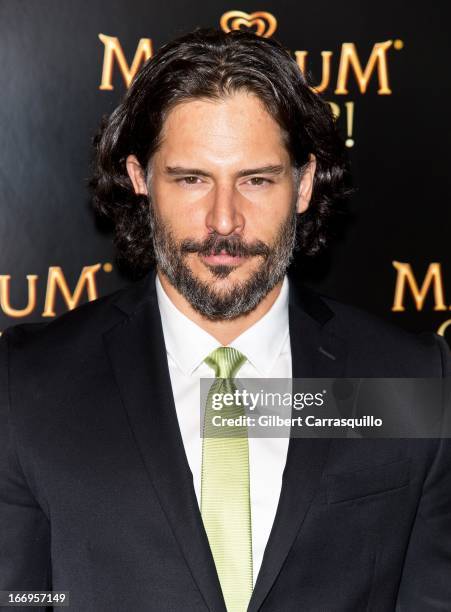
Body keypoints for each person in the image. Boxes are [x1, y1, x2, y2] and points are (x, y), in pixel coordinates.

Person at [0, 27, 450, 612]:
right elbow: (21, 598)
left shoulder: (410, 381)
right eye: (191, 179)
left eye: (256, 180)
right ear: (140, 179)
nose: (224, 219)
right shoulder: (29, 387)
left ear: (305, 184)